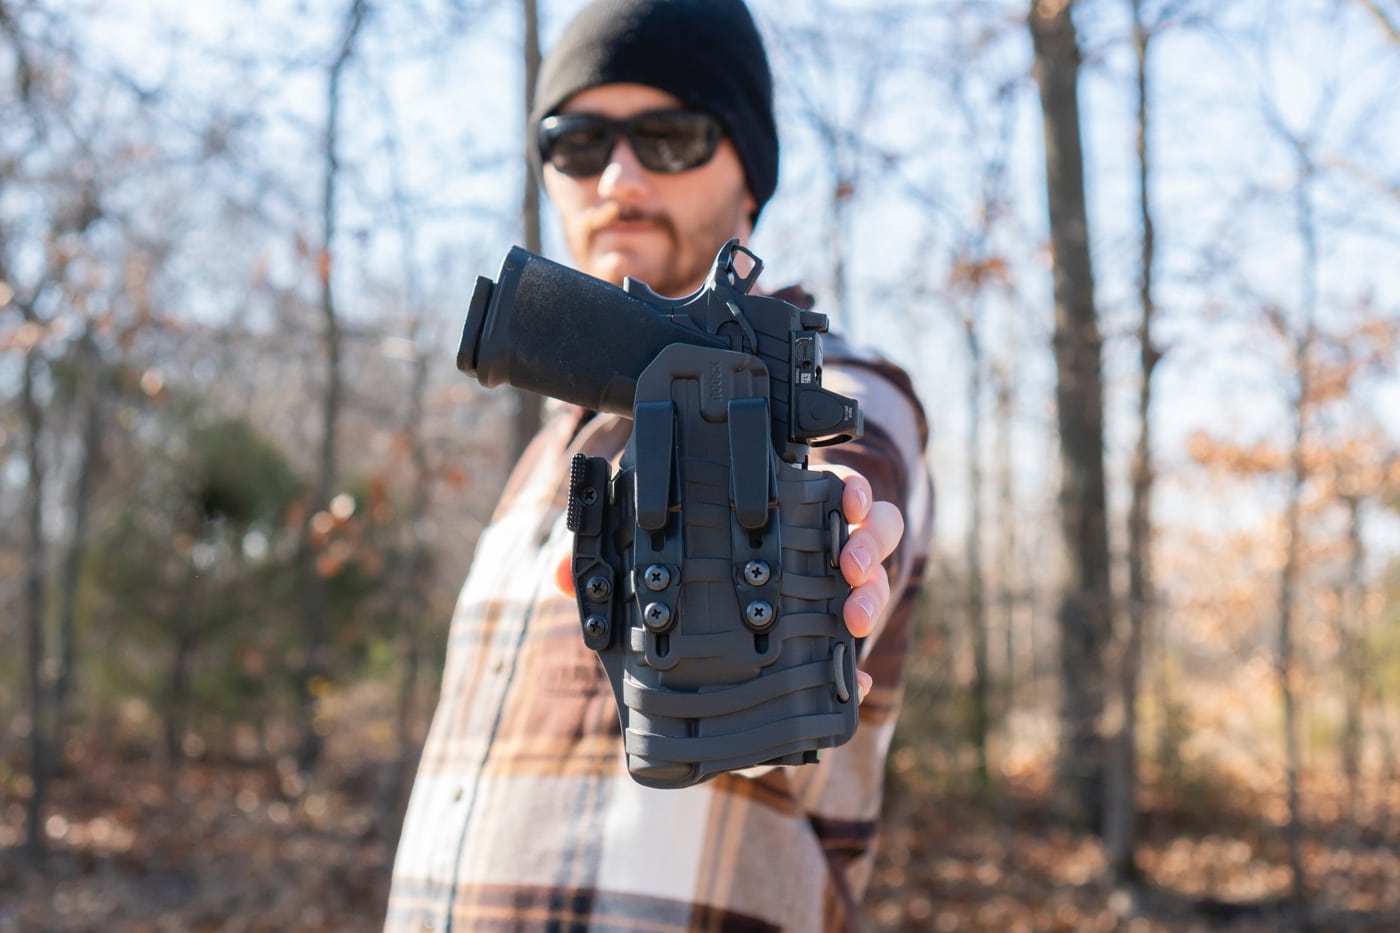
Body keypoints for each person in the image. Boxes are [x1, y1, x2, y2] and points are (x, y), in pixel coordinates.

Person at [385, 1, 933, 930]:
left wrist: (806, 577)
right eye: (578, 141)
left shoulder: (838, 388)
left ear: (749, 179)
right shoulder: (550, 448)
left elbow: (859, 466)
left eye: (670, 137)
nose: (619, 176)